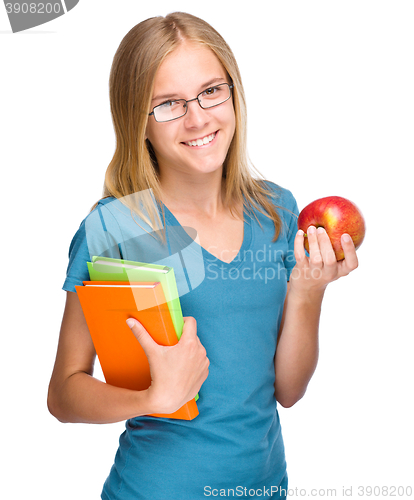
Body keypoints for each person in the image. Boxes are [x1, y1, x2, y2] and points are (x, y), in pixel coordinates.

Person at [47, 12, 359, 500]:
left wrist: (308, 289)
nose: (198, 118)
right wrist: (153, 397)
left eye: (211, 91)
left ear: (233, 94)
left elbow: (288, 392)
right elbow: (64, 393)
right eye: (168, 104)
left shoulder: (276, 211)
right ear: (138, 123)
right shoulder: (117, 226)